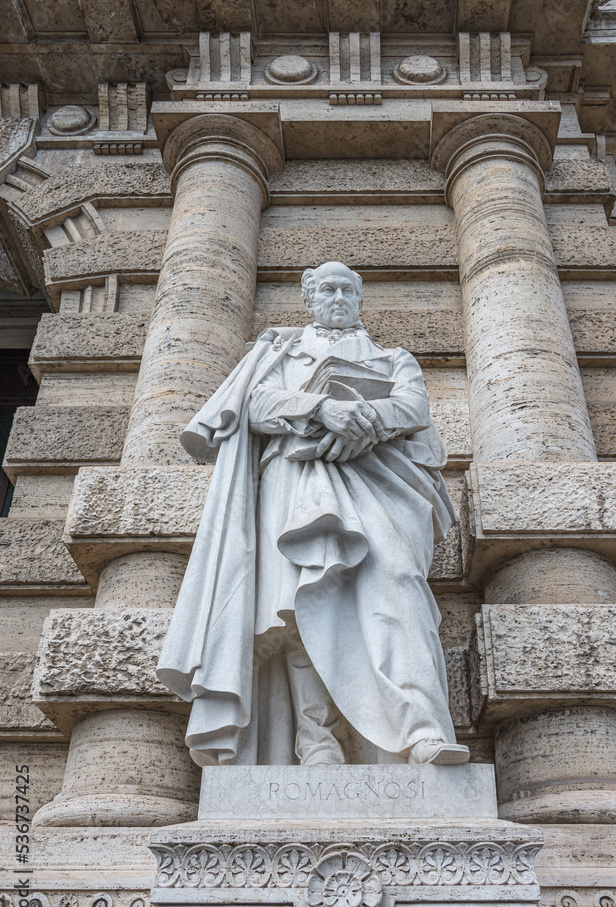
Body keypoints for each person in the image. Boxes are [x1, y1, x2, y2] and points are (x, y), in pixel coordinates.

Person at [157, 261, 469, 768]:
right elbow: (253, 405)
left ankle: (423, 730)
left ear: (360, 297)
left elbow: (413, 409)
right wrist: (321, 410)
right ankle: (317, 743)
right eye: (328, 288)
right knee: (300, 606)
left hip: (379, 480)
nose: (339, 296)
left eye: (348, 288)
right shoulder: (280, 352)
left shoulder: (393, 357)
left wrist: (362, 424)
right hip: (295, 479)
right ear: (310, 298)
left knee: (398, 587)